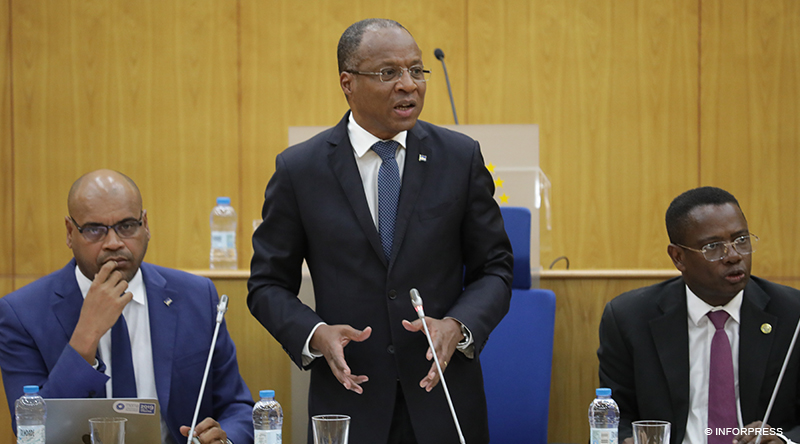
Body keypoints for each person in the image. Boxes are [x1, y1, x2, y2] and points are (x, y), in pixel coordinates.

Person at [247, 18, 513, 444]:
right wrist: (315, 334)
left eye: (416, 70)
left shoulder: (459, 158)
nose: (409, 85)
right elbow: (266, 284)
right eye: (389, 73)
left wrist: (459, 324)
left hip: (442, 399)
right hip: (349, 401)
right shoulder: (300, 170)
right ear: (347, 83)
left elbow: (495, 268)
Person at [0, 170, 254, 444]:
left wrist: (225, 440)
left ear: (145, 225)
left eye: (127, 226)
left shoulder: (196, 297)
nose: (114, 243)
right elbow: (32, 431)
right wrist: (87, 334)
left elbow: (236, 407)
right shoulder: (22, 313)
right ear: (70, 232)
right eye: (94, 229)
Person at [598, 186, 800, 444]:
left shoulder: (792, 313)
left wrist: (784, 441)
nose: (734, 256)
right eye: (713, 247)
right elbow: (615, 418)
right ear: (678, 257)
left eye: (741, 240)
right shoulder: (629, 318)